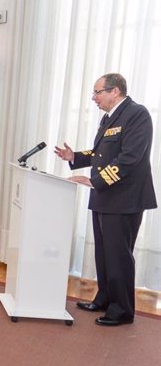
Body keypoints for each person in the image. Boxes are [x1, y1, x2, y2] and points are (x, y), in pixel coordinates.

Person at [55, 73, 157, 327]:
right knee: (103, 253)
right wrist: (74, 156)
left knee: (118, 255)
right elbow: (101, 153)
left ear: (115, 91)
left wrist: (95, 181)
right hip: (105, 197)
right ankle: (105, 298)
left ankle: (122, 309)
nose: (93, 98)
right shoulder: (108, 118)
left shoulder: (137, 114)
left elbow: (129, 158)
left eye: (97, 92)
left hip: (125, 198)